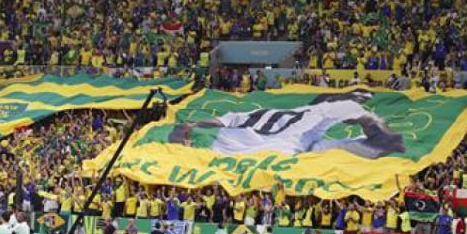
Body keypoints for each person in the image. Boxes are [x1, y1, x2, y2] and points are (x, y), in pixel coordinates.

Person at [167, 90, 404, 159]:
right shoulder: (328, 107)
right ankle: (388, 146)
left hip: (280, 147)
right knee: (364, 149)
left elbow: (216, 121)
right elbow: (369, 120)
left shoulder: (252, 113)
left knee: (350, 148)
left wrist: (193, 124)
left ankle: (386, 145)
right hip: (289, 148)